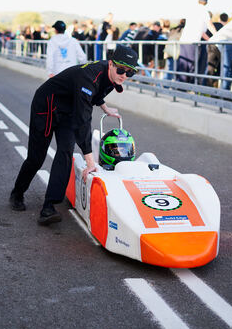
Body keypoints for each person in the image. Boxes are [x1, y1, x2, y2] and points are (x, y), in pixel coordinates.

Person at [9, 45, 138, 225]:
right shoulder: (90, 75)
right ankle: (17, 193)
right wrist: (91, 162)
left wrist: (105, 107)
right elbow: (82, 121)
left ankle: (49, 207)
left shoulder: (113, 77)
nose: (124, 75)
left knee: (65, 153)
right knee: (36, 158)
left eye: (130, 72)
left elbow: (96, 93)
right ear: (110, 63)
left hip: (69, 108)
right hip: (47, 105)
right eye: (121, 69)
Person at [176, 0, 217, 83]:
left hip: (184, 41)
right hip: (192, 42)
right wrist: (217, 37)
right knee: (190, 65)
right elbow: (209, 25)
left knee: (183, 64)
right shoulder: (204, 11)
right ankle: (184, 88)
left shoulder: (192, 10)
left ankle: (180, 87)